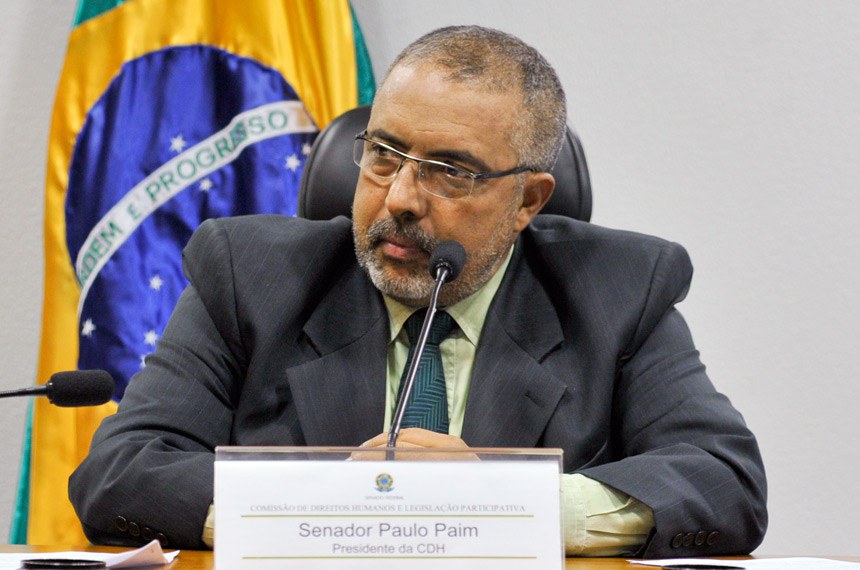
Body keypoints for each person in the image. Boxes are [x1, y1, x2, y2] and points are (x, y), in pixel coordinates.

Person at [69, 25, 767, 558]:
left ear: (528, 200)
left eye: (449, 171)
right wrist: (338, 507)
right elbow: (120, 473)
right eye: (384, 154)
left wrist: (499, 503)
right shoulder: (248, 275)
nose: (399, 197)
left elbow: (723, 480)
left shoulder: (619, 290)